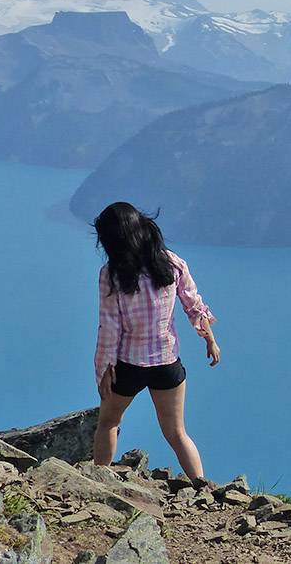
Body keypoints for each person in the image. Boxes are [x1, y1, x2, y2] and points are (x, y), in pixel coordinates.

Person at [91, 202, 220, 482]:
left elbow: (109, 328)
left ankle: (98, 482)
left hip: (128, 365)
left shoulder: (112, 274)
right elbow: (193, 303)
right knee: (177, 432)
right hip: (167, 363)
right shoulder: (171, 262)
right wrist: (210, 339)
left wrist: (103, 370)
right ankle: (203, 488)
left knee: (109, 423)